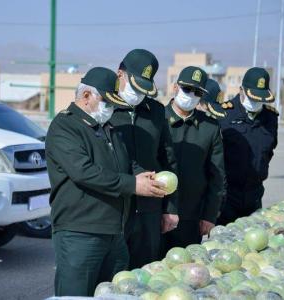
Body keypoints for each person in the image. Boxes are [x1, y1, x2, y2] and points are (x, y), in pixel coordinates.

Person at [46, 67, 167, 297]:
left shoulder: (107, 128)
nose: (110, 109)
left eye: (114, 103)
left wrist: (145, 177)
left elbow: (126, 163)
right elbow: (84, 172)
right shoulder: (65, 127)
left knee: (113, 293)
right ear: (86, 96)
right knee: (75, 295)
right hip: (80, 233)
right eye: (106, 102)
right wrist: (132, 185)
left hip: (114, 234)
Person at [109, 49, 178, 269]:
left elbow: (168, 160)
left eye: (143, 88)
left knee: (145, 274)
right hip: (115, 209)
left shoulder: (156, 111)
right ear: (120, 74)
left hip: (149, 211)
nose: (138, 94)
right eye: (134, 85)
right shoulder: (104, 108)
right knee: (112, 277)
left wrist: (171, 208)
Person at [162, 67, 225, 250]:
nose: (191, 95)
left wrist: (209, 216)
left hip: (191, 216)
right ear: (175, 87)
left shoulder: (209, 127)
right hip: (155, 213)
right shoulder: (157, 119)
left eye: (197, 92)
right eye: (187, 89)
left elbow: (217, 176)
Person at [212, 67, 279, 225]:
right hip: (228, 196)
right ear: (242, 90)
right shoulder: (224, 114)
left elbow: (269, 151)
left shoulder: (271, 117)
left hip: (255, 195)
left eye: (259, 98)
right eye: (252, 97)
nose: (255, 102)